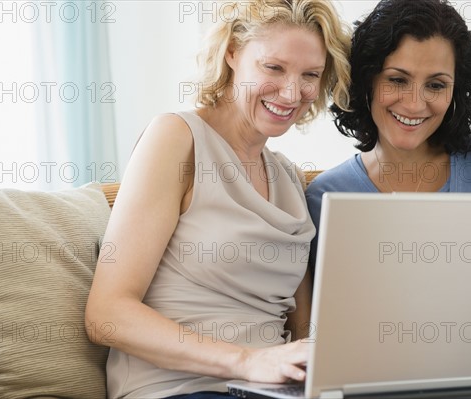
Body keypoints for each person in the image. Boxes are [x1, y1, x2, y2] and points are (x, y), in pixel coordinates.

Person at [305, 0, 471, 398]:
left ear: (456, 90)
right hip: (396, 386)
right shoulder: (327, 196)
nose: (415, 103)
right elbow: (352, 339)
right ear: (367, 81)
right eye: (397, 79)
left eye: (436, 84)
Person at [85, 1, 351, 398]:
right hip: (180, 388)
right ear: (232, 53)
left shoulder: (289, 178)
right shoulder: (176, 139)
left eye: (310, 75)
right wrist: (248, 361)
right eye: (273, 67)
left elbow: (302, 327)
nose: (293, 92)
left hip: (267, 389)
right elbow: (106, 314)